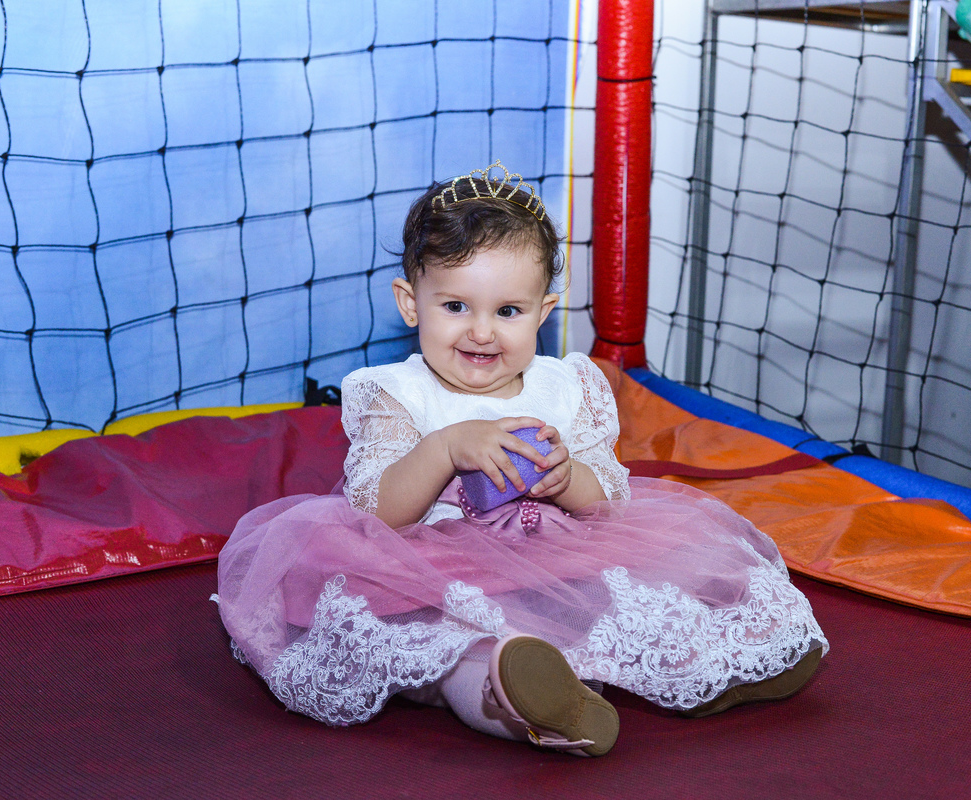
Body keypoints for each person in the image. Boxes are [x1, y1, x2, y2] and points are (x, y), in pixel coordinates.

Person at [216, 161, 827, 758]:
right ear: (411, 303)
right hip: (434, 575)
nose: (481, 331)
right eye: (455, 306)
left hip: (560, 560)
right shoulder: (399, 394)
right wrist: (447, 447)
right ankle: (525, 700)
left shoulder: (566, 387)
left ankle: (725, 669)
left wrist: (568, 478)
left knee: (635, 602)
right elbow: (376, 510)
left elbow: (610, 499)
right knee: (459, 644)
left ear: (543, 311)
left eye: (507, 312)